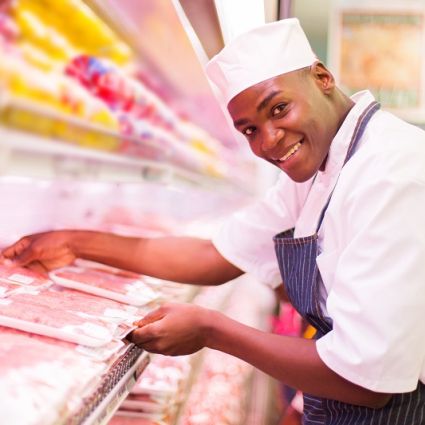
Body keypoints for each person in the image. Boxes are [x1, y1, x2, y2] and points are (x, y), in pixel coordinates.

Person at [2, 17, 425, 423]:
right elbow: (215, 255)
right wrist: (74, 242)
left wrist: (212, 330)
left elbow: (366, 379)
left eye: (278, 108)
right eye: (249, 130)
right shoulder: (320, 165)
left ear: (322, 77)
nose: (269, 141)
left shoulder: (392, 171)